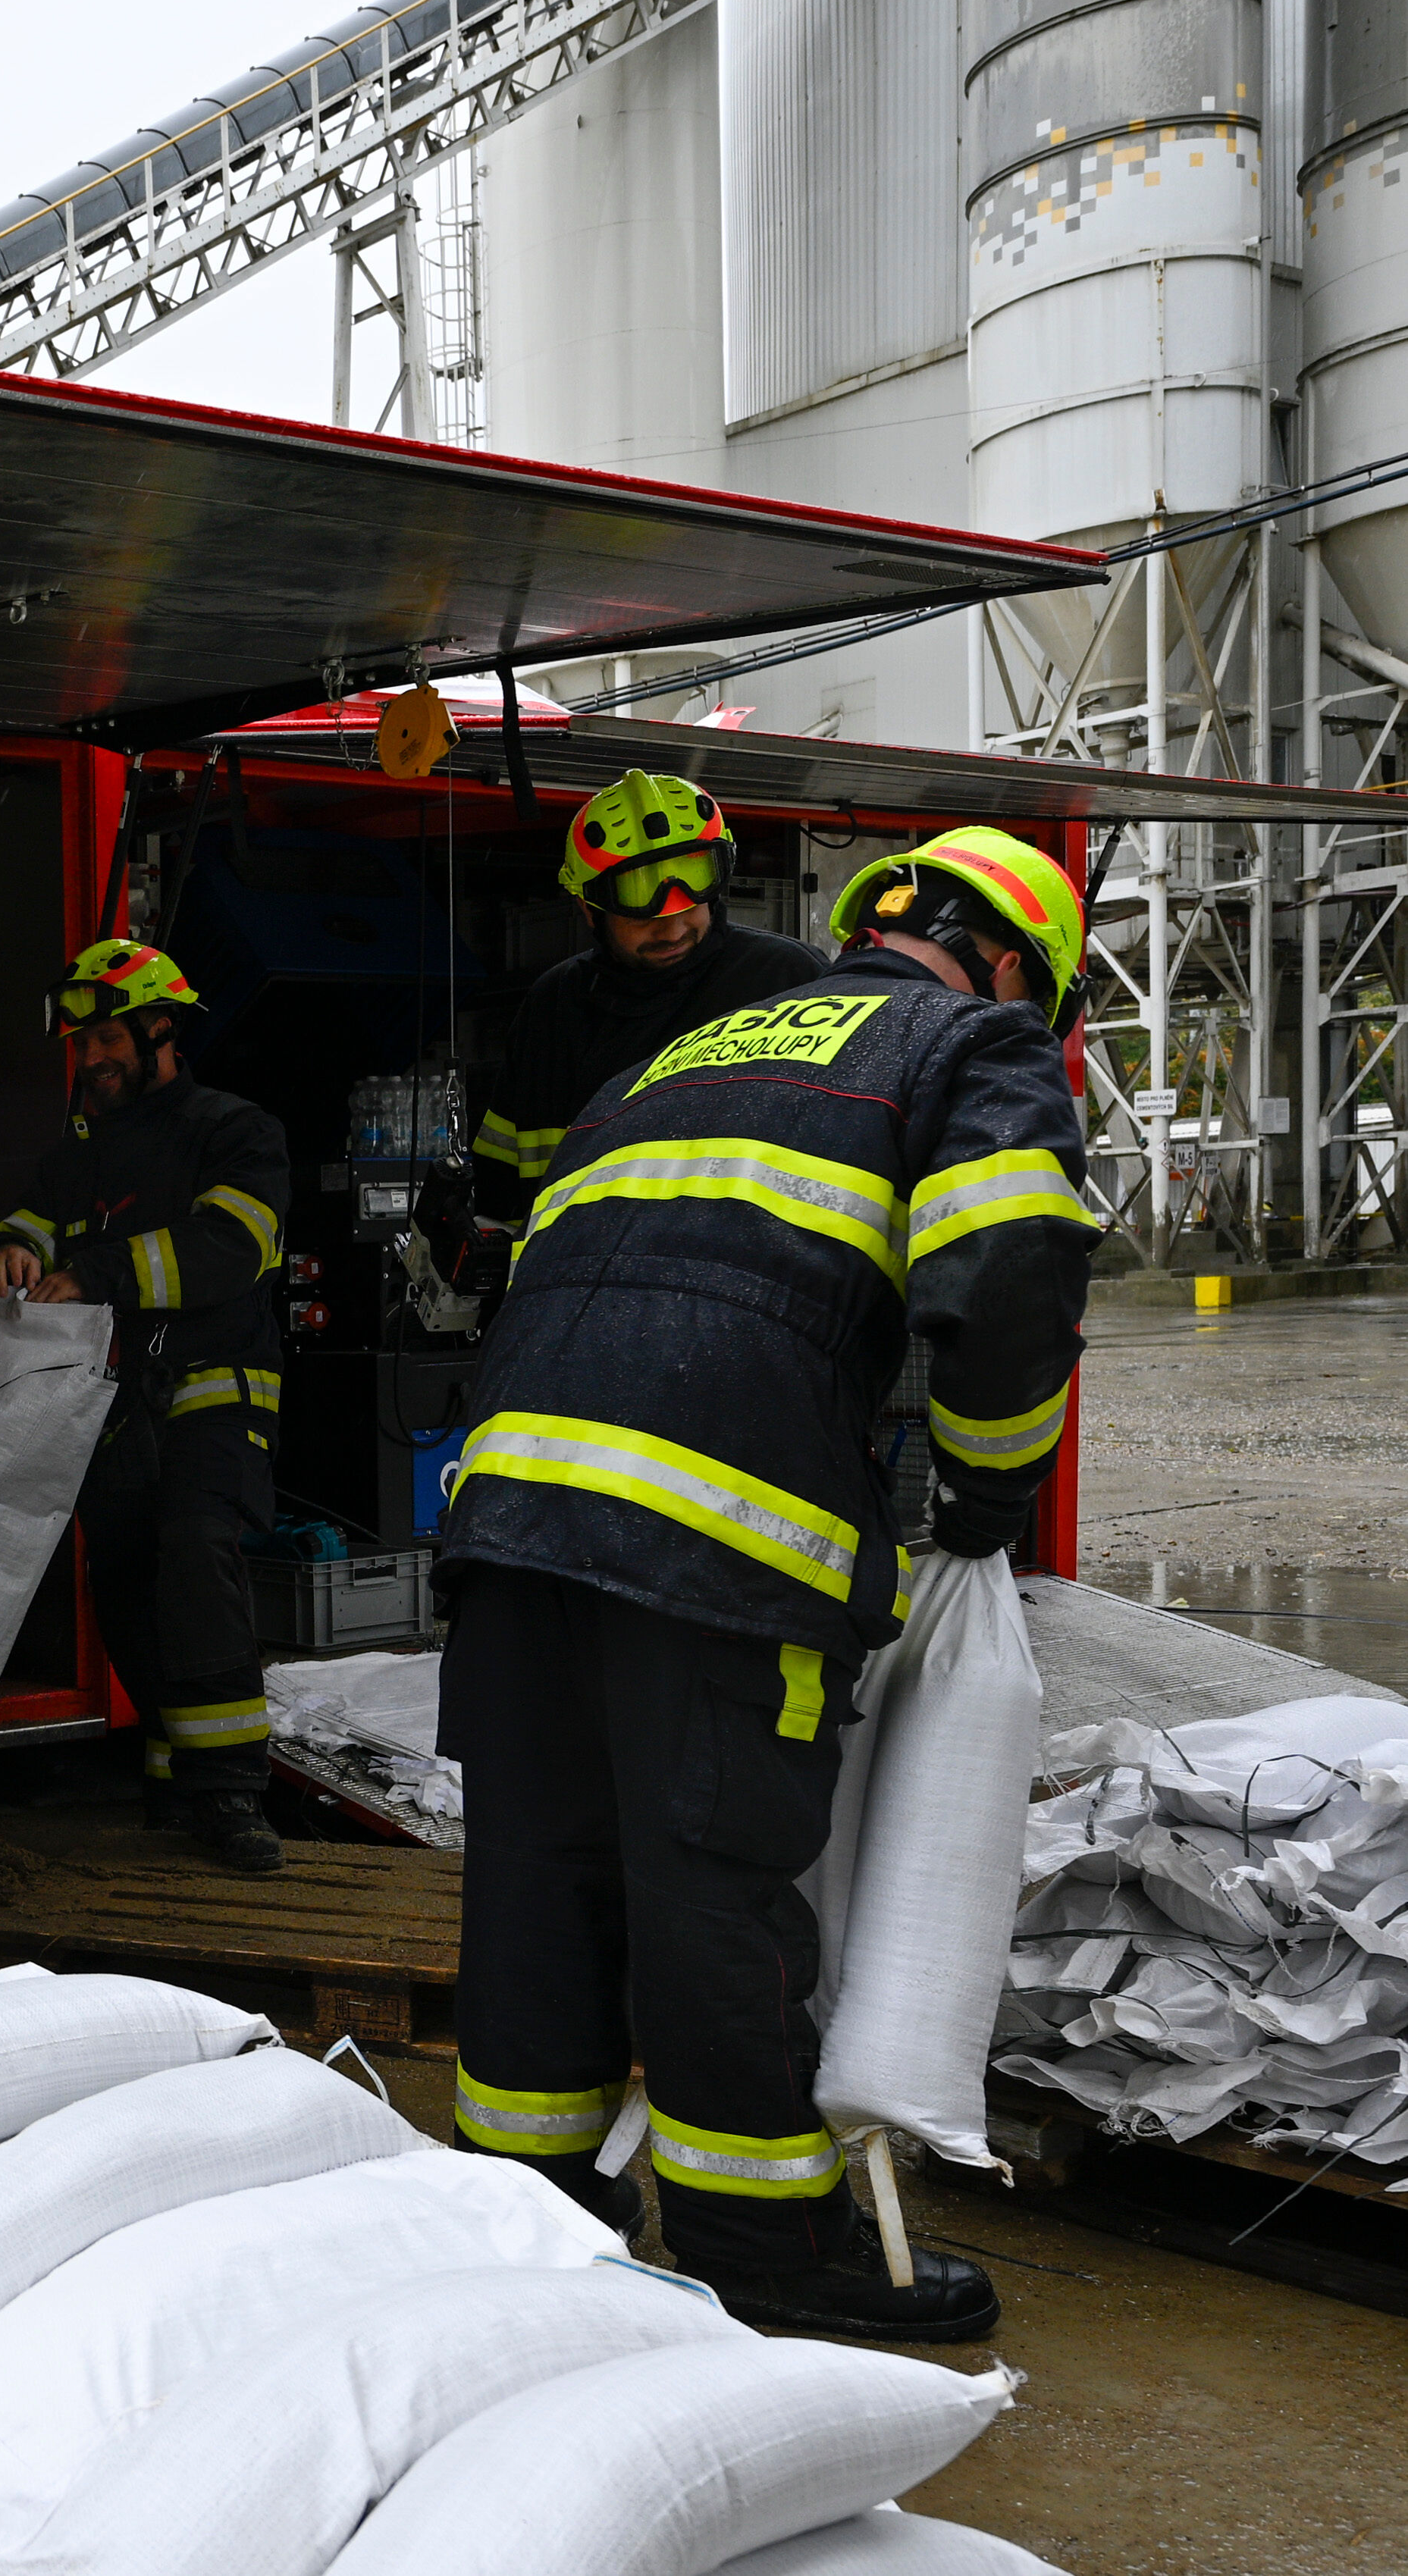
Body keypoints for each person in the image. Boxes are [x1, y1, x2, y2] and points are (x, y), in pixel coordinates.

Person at [435, 827, 1098, 2342]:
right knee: (708, 1901)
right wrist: (984, 1492)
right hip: (712, 1534)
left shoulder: (674, 1057)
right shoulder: (970, 1042)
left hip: (510, 1511)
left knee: (539, 1881)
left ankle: (521, 2221)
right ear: (1008, 963)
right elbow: (1008, 1259)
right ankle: (762, 2248)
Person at [0, 941, 294, 1875]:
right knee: (123, 1584)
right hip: (111, 1405)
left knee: (194, 1559)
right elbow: (30, 1223)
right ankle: (173, 1775)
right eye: (84, 1044)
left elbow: (232, 1246)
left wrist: (95, 1272)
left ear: (163, 1031)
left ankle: (231, 1790)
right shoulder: (77, 1153)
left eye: (109, 1038)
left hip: (213, 1390)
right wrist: (10, 1254)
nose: (93, 1058)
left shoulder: (234, 1129)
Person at [474, 772, 826, 1232]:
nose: (673, 930)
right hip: (577, 1267)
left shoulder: (789, 981)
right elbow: (499, 1185)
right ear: (588, 909)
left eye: (690, 907)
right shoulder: (553, 1006)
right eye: (644, 915)